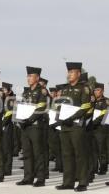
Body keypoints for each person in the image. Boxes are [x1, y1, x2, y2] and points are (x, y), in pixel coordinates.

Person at [55, 62, 91, 192]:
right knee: (66, 154)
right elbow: (60, 105)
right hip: (65, 126)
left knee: (80, 154)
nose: (69, 74)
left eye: (71, 72)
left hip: (76, 126)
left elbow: (86, 106)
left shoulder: (84, 88)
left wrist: (72, 117)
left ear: (78, 74)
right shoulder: (64, 89)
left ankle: (82, 182)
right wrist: (58, 118)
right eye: (68, 72)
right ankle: (68, 182)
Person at [16, 67, 47, 187]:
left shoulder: (42, 91)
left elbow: (41, 107)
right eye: (27, 76)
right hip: (25, 127)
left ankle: (40, 178)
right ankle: (28, 177)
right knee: (27, 153)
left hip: (35, 126)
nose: (28, 78)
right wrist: (21, 119)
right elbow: (22, 107)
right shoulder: (26, 92)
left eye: (31, 76)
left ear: (37, 78)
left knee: (38, 153)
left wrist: (29, 119)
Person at [92, 83, 108, 175]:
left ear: (102, 91)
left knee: (102, 149)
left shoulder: (106, 101)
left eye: (98, 90)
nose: (96, 92)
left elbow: (104, 115)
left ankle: (103, 168)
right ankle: (94, 168)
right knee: (93, 150)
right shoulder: (92, 101)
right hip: (92, 129)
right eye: (95, 90)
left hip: (101, 129)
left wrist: (94, 122)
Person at [1, 82, 15, 176]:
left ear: (9, 90)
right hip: (1, 125)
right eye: (2, 90)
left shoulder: (11, 99)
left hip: (7, 125)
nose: (3, 91)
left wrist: (2, 123)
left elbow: (9, 113)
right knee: (2, 148)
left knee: (7, 149)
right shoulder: (2, 98)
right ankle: (2, 167)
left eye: (4, 90)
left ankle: (7, 169)